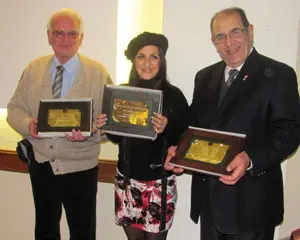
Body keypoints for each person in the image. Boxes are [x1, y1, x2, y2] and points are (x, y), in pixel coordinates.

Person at [165, 7, 300, 240]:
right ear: (213, 42)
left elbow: (289, 133)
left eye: (235, 32)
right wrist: (179, 154)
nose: (229, 42)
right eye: (220, 36)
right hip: (210, 203)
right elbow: (193, 127)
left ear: (250, 31)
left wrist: (250, 159)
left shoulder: (280, 75)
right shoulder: (204, 77)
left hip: (252, 205)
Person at [7, 8, 112, 240]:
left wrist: (90, 134)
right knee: (45, 231)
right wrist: (29, 124)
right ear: (49, 37)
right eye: (59, 33)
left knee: (83, 233)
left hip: (81, 168)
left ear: (81, 38)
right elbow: (14, 110)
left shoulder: (98, 73)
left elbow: (109, 125)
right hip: (42, 165)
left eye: (72, 33)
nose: (65, 39)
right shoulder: (33, 69)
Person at [97, 32, 189, 240]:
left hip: (159, 184)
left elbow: (185, 139)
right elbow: (118, 139)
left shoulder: (174, 96)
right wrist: (107, 127)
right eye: (141, 56)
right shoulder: (120, 93)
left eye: (153, 56)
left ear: (161, 61)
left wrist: (168, 127)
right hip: (127, 181)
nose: (147, 63)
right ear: (133, 61)